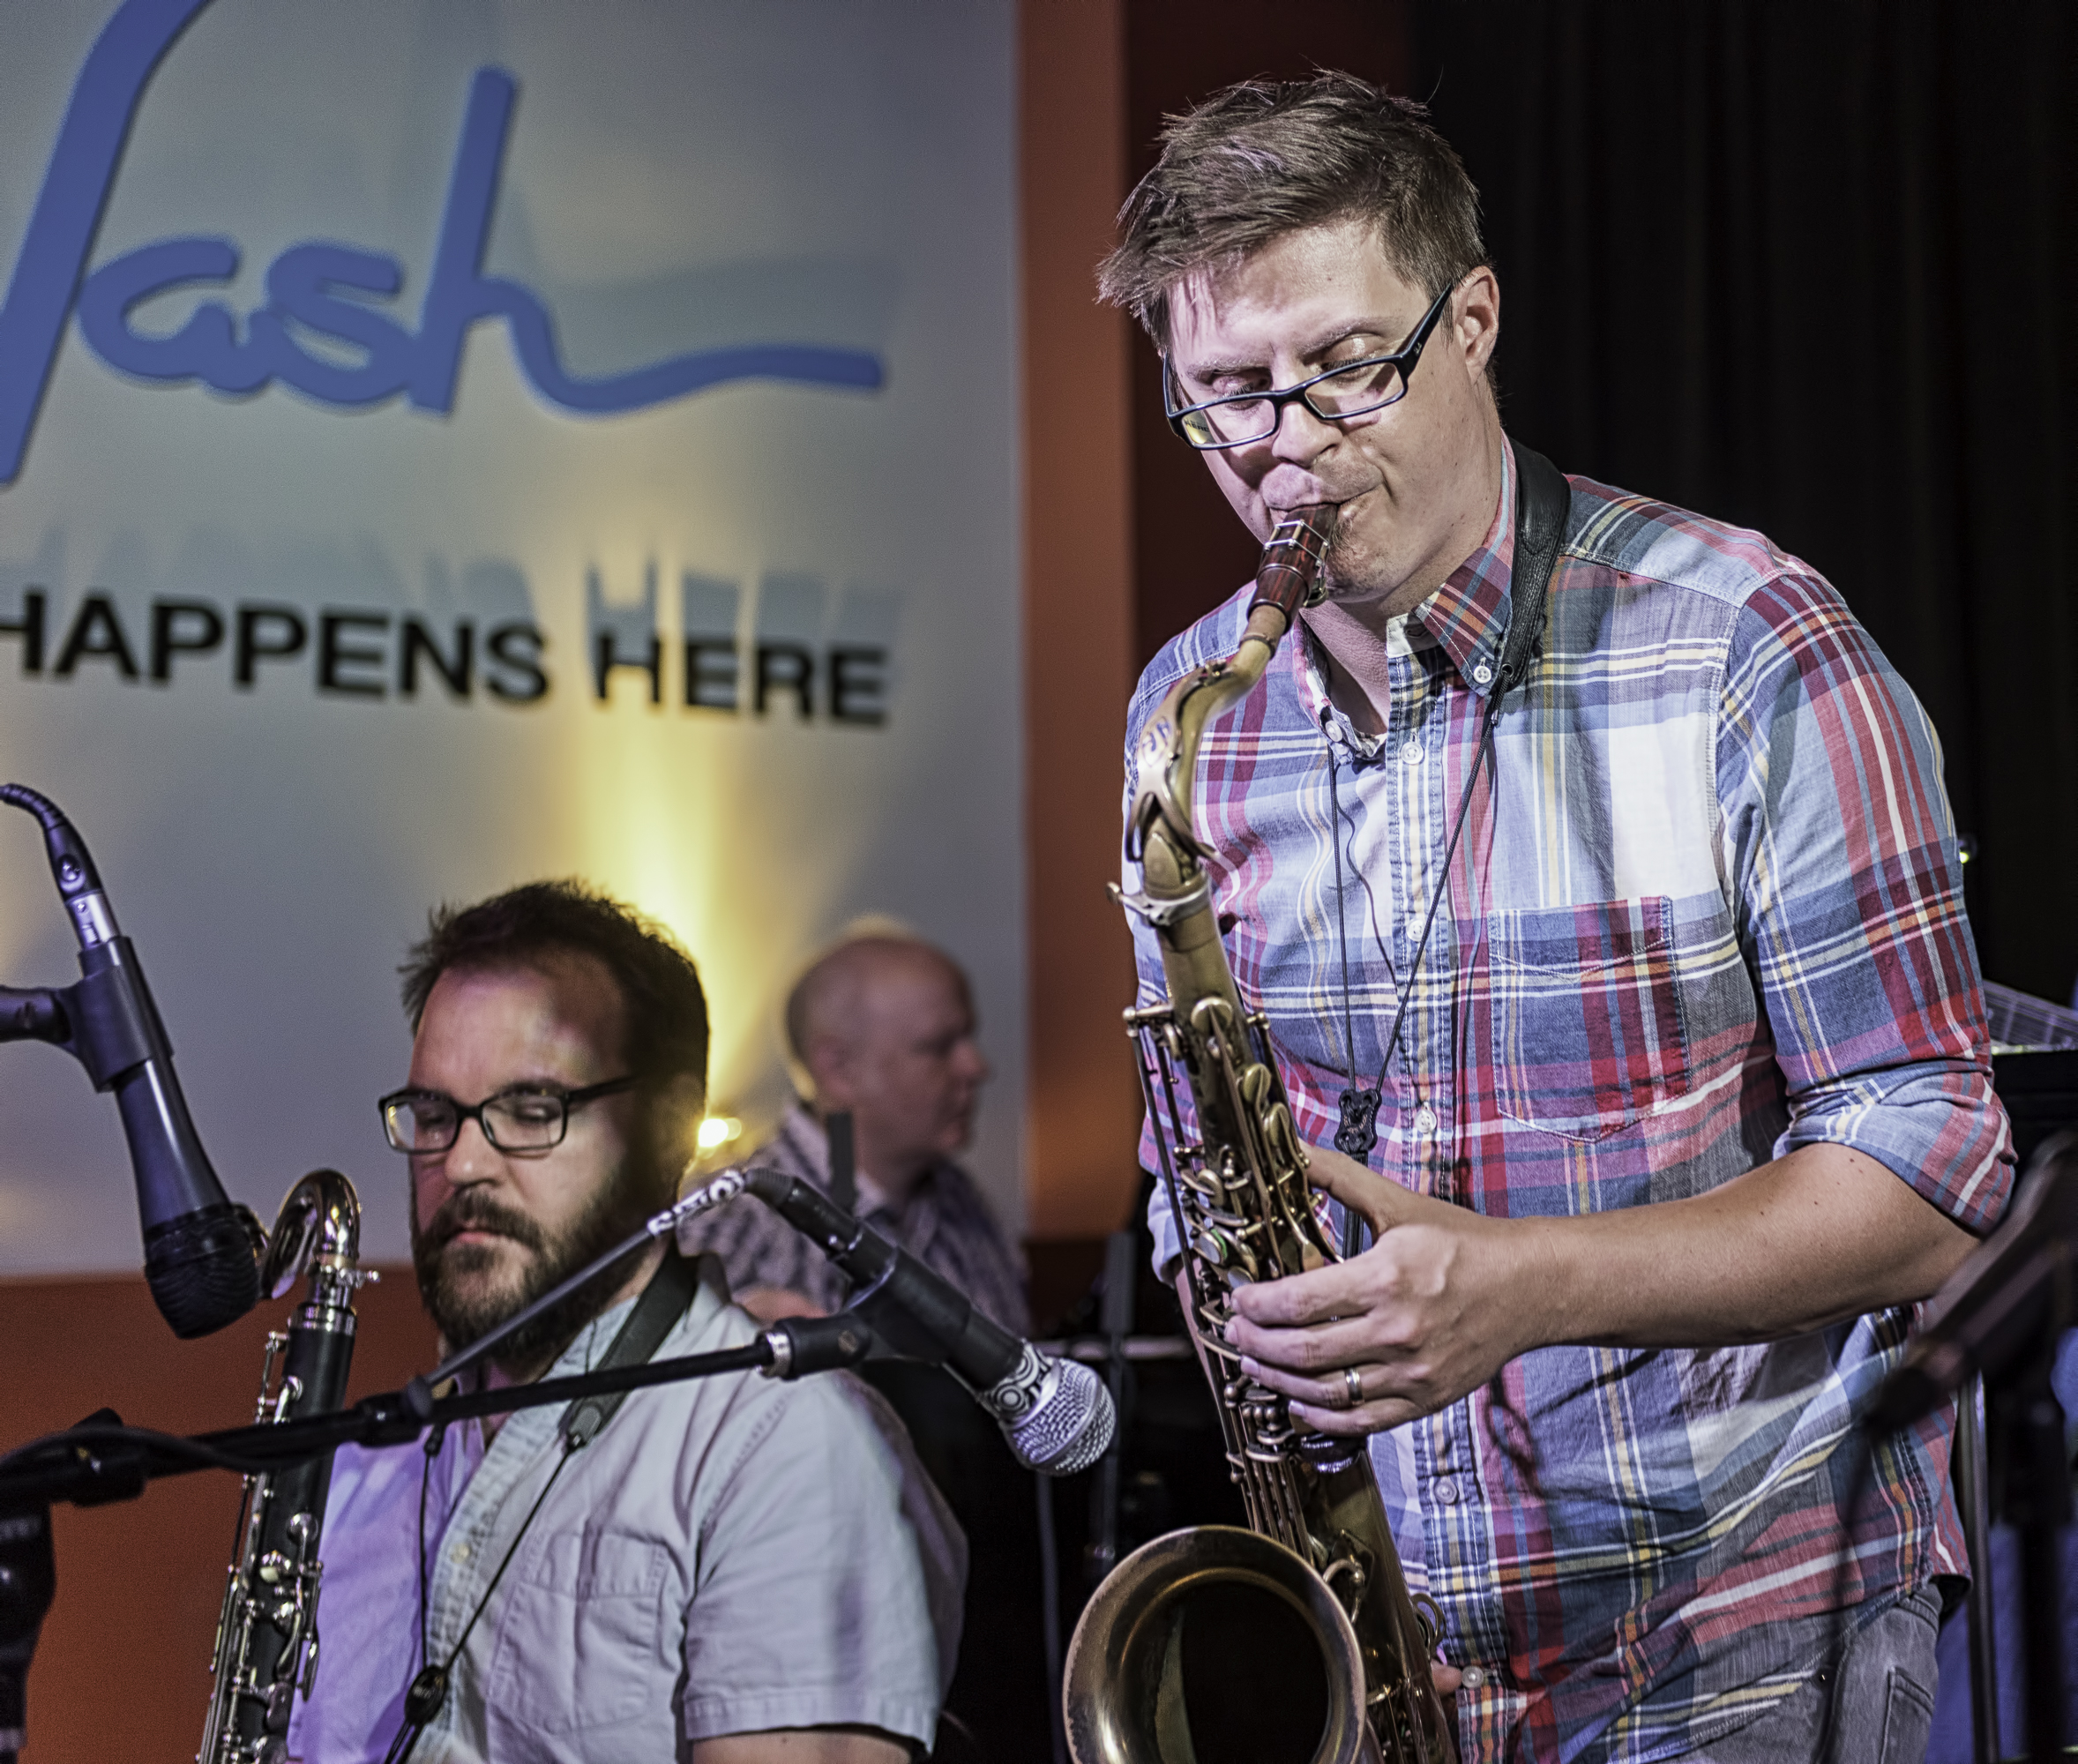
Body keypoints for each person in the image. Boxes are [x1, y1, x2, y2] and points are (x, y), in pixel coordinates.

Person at [1102, 75, 2013, 1762]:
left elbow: (1941, 1166)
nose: (1288, 444)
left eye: (1346, 369)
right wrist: (1241, 1278)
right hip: (1397, 1657)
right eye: (1227, 396)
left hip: (1744, 1626)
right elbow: (1200, 1165)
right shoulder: (1188, 715)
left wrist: (1527, 1286)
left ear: (1473, 322)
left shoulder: (1747, 643)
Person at [289, 881, 964, 1764]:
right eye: (433, 1113)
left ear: (667, 1128)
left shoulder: (787, 1444)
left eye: (532, 1109)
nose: (459, 1161)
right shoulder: (358, 1470)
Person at [680, 930, 1028, 1335]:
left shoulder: (962, 1201)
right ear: (838, 1070)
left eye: (968, 1038)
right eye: (938, 1046)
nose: (975, 1066)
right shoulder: (728, 1224)